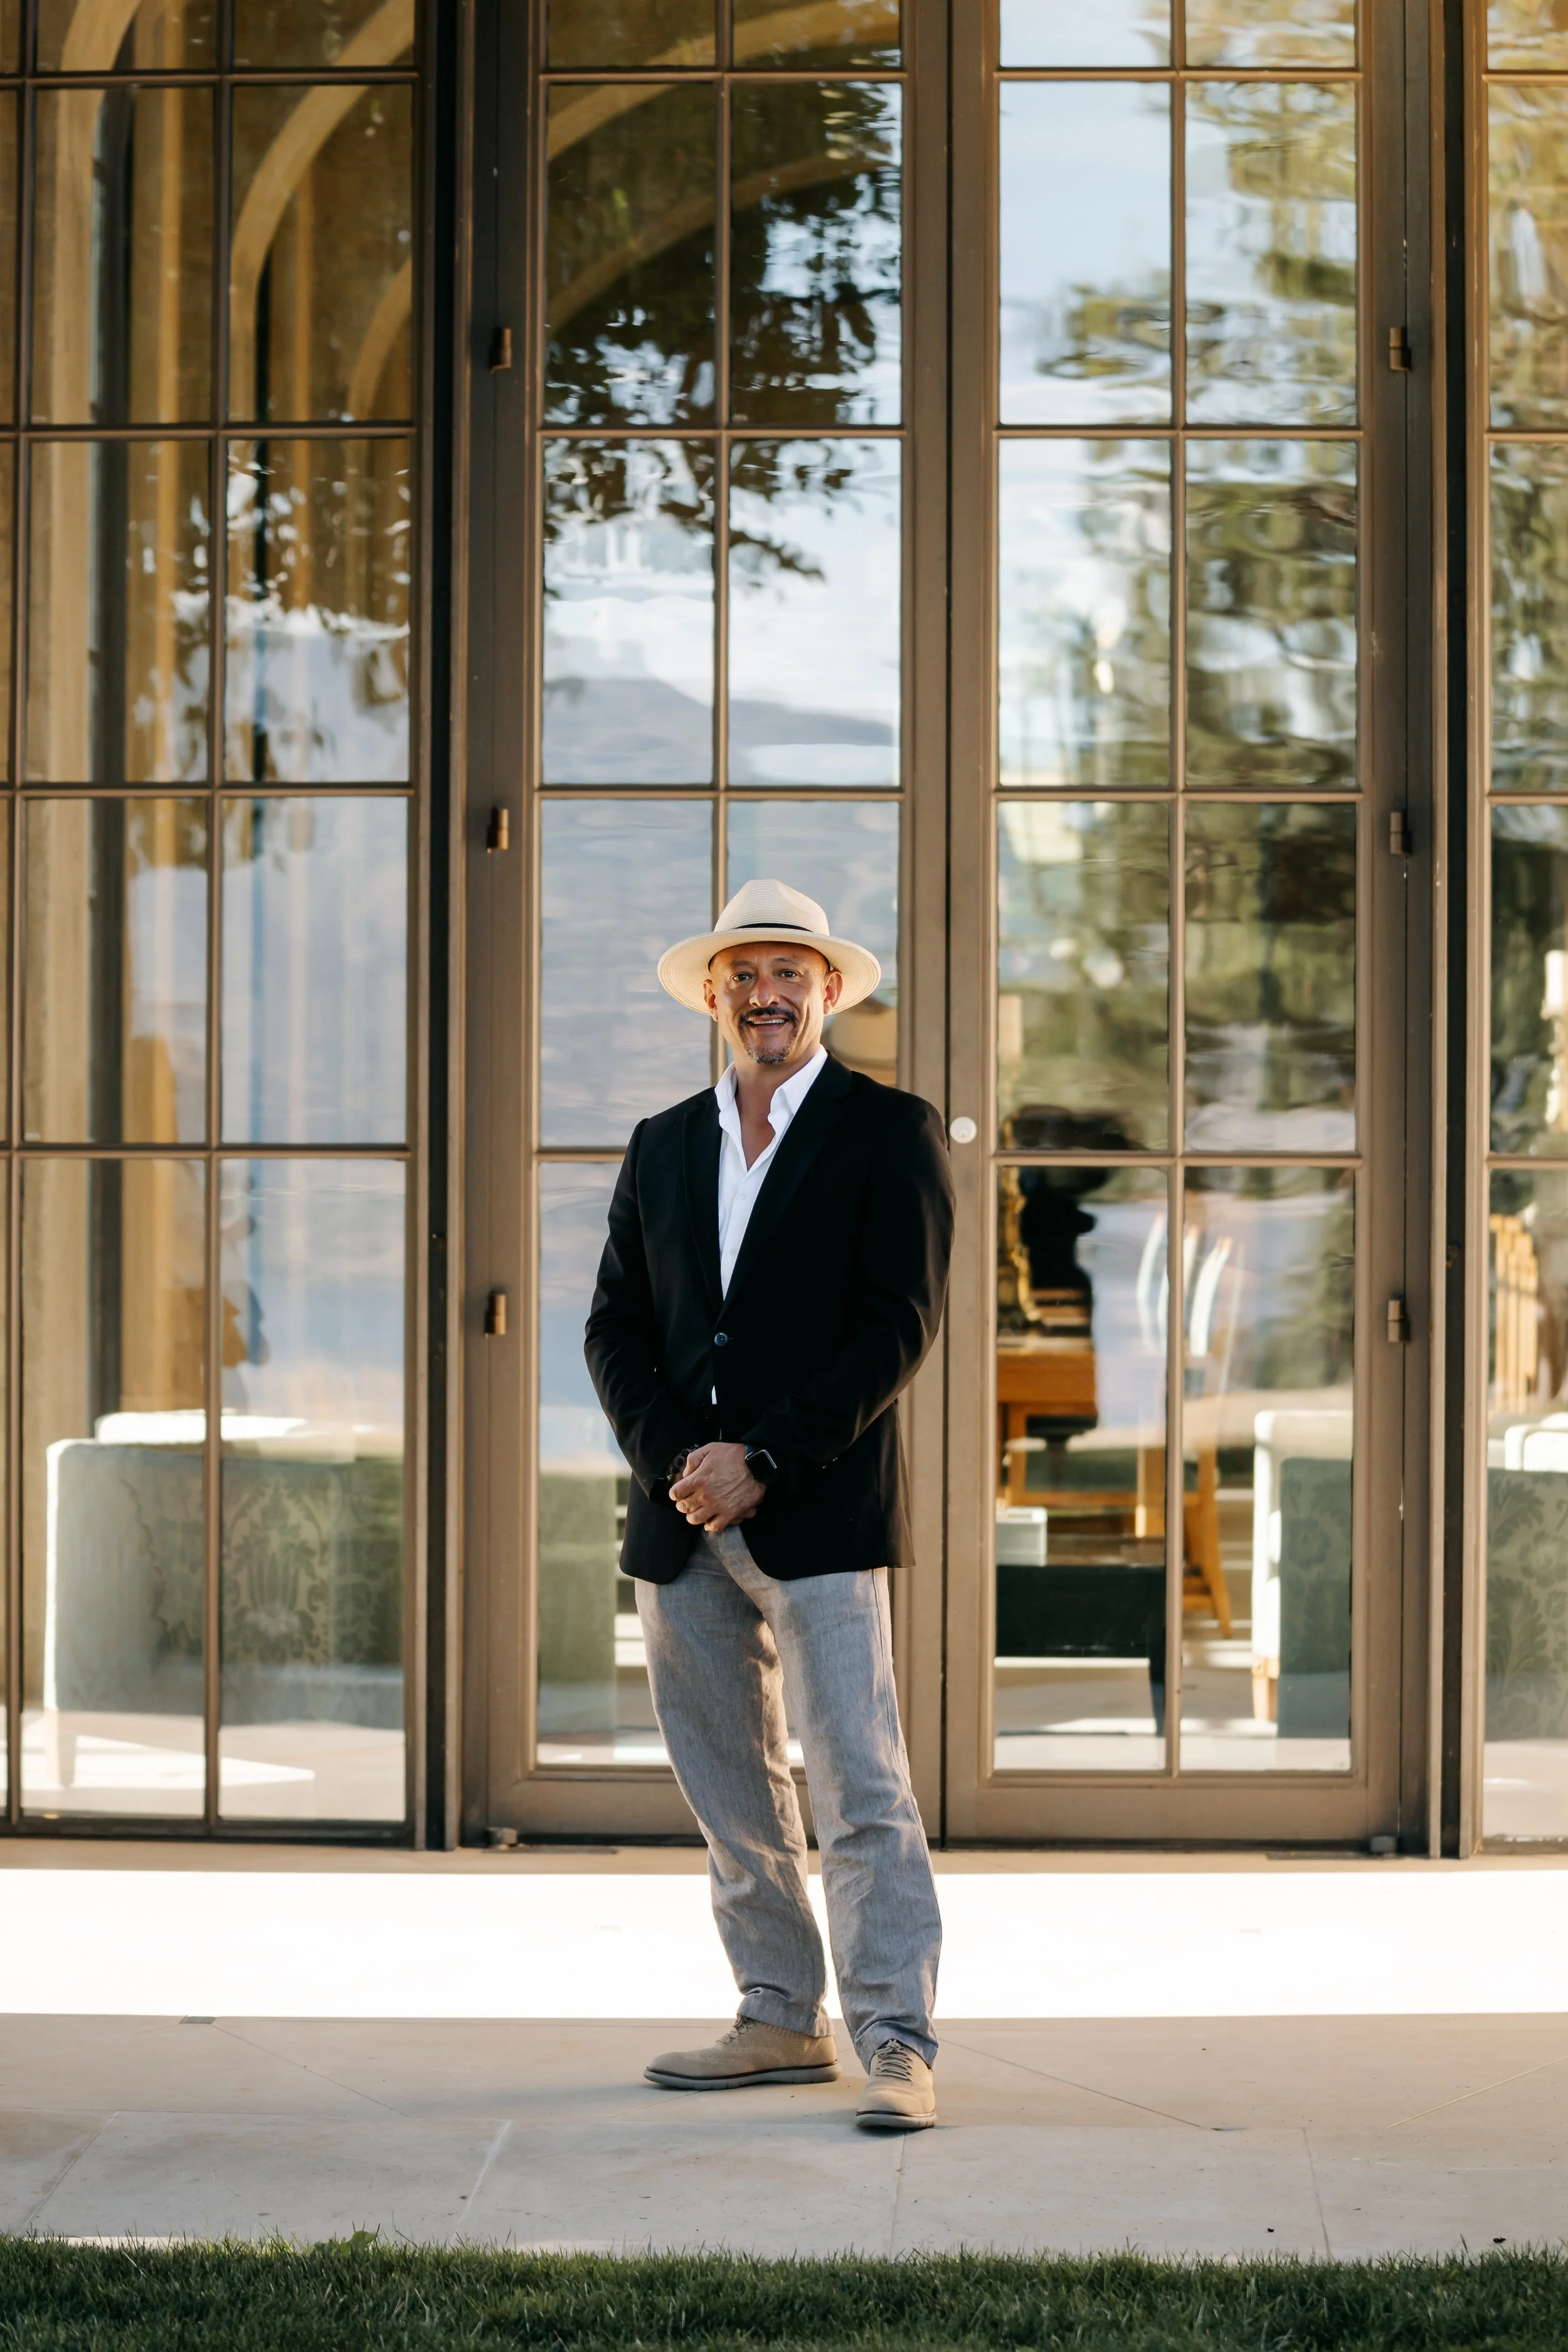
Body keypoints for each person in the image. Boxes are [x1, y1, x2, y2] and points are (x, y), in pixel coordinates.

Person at [584, 877, 955, 2132]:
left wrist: (766, 1458)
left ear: (830, 993)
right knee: (730, 1791)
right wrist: (675, 1461)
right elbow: (614, 1326)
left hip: (819, 1516)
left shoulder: (886, 1132)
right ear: (712, 995)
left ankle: (895, 2042)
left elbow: (893, 1329)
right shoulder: (660, 1144)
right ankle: (778, 2018)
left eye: (789, 973)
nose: (766, 993)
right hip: (678, 1520)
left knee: (859, 1784)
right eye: (743, 973)